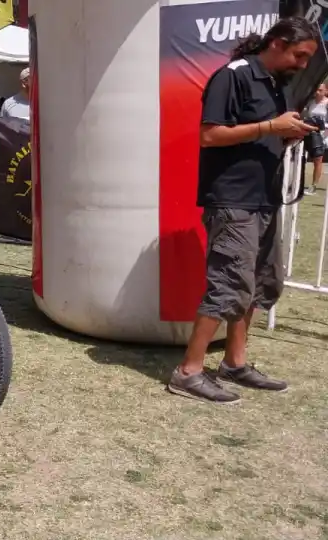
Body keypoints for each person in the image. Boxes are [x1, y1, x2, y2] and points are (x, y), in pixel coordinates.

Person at [169, 17, 319, 403]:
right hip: (231, 200)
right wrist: (271, 126)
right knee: (229, 285)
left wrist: (287, 134)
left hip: (262, 199)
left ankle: (234, 363)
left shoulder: (275, 84)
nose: (302, 65)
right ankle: (189, 372)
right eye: (299, 56)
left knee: (258, 283)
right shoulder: (232, 75)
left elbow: (264, 134)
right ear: (278, 43)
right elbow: (208, 135)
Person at [303, 83, 327, 194]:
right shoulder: (310, 103)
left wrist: (325, 135)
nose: (317, 92)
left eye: (320, 90)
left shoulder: (326, 104)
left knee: (318, 159)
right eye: (316, 89)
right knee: (307, 158)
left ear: (325, 91)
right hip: (311, 133)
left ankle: (314, 186)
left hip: (323, 133)